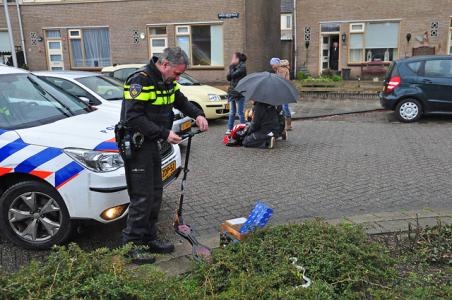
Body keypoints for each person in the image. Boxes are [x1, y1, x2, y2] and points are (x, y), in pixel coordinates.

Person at [118, 47, 208, 264]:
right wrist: (164, 133)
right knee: (142, 196)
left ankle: (149, 238)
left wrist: (198, 115)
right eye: (177, 73)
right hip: (138, 145)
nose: (177, 78)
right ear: (165, 64)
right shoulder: (140, 81)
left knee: (156, 192)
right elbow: (133, 117)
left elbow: (180, 99)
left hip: (154, 144)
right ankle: (131, 245)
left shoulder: (167, 81)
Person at [226, 52, 247, 135]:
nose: (232, 60)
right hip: (232, 92)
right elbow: (228, 78)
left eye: (233, 58)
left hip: (239, 93)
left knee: (240, 112)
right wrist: (231, 67)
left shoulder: (242, 67)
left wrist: (231, 68)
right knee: (232, 112)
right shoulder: (233, 67)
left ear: (237, 59)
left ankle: (243, 128)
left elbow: (233, 75)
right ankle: (230, 129)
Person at [270, 57, 292, 132]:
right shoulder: (279, 69)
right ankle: (286, 124)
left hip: (284, 91)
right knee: (283, 107)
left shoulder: (281, 69)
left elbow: (280, 81)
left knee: (284, 107)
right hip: (282, 90)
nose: (272, 66)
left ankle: (288, 125)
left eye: (272, 65)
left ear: (276, 64)